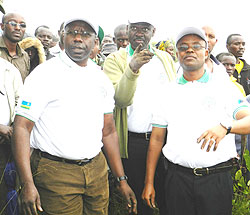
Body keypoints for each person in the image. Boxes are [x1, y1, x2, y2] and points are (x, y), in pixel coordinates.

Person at [11, 17, 137, 215]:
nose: (78, 38)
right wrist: (27, 183)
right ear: (62, 38)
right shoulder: (44, 74)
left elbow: (109, 131)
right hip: (55, 174)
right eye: (73, 32)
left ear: (95, 42)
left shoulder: (100, 78)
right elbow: (21, 127)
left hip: (96, 171)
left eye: (85, 34)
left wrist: (121, 179)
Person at [142, 26, 250, 215]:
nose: (189, 50)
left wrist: (226, 127)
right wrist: (149, 182)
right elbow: (157, 139)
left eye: (196, 46)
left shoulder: (224, 87)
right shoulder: (167, 91)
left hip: (216, 179)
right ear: (177, 54)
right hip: (177, 179)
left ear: (206, 52)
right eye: (183, 47)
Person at [103, 19, 176, 215]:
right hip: (135, 144)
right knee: (139, 204)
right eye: (134, 28)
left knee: (168, 199)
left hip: (166, 141)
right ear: (127, 30)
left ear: (154, 31)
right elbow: (120, 100)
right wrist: (132, 68)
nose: (139, 33)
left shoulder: (164, 59)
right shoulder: (115, 59)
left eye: (145, 29)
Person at [0, 57, 23, 215]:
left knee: (4, 193)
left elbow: (20, 101)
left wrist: (14, 126)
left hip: (5, 144)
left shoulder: (8, 70)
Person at [0, 13, 30, 82]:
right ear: (2, 26)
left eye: (22, 25)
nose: (18, 28)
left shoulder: (25, 56)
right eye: (13, 23)